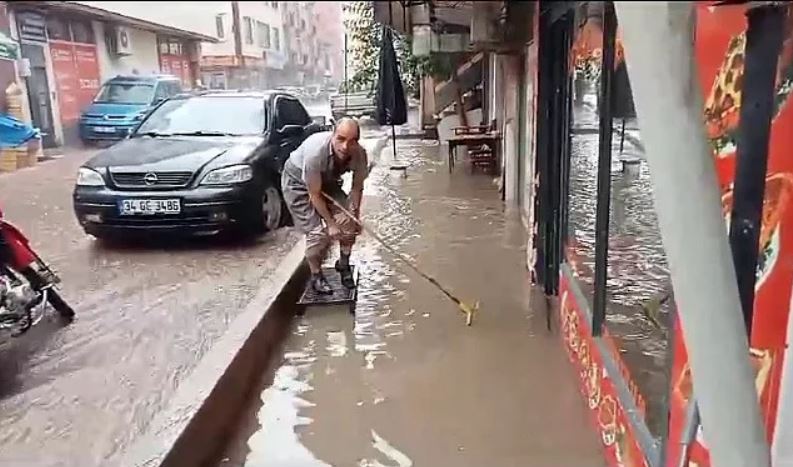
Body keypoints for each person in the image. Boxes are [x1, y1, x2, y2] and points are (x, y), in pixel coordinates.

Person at [281, 118, 368, 294]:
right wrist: (331, 223)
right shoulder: (315, 154)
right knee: (317, 234)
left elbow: (357, 188)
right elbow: (314, 193)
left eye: (352, 141)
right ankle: (316, 276)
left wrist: (354, 215)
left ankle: (343, 264)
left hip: (328, 180)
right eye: (341, 139)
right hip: (298, 183)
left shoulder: (360, 154)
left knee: (349, 223)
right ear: (333, 135)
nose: (345, 147)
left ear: (357, 141)